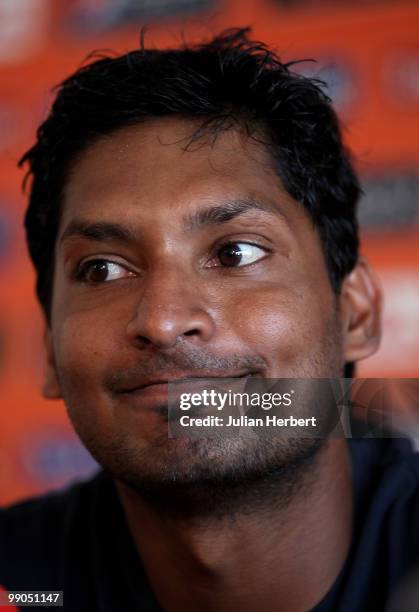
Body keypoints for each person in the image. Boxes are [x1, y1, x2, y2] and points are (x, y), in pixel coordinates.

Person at [0, 27, 418, 612]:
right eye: (102, 270)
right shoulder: (19, 586)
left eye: (237, 253)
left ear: (357, 312)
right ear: (48, 348)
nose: (165, 320)